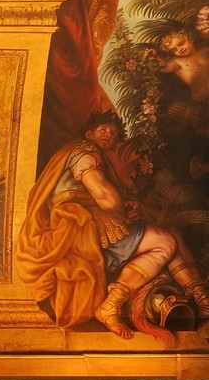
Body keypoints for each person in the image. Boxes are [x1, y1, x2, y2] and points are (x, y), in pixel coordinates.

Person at [16, 110, 209, 338]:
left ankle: (201, 298)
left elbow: (98, 198)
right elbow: (107, 199)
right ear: (89, 133)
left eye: (113, 132)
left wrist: (127, 205)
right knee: (165, 242)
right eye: (103, 130)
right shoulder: (85, 152)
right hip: (76, 234)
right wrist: (120, 208)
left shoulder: (82, 154)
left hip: (81, 226)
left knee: (173, 234)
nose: (109, 134)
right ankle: (111, 304)